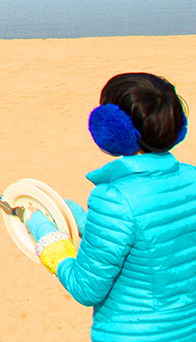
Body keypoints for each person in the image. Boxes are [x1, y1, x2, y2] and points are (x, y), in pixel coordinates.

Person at [25, 72, 196, 341]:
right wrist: (84, 222)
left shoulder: (113, 198)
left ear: (113, 130)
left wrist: (47, 237)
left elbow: (85, 288)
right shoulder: (191, 179)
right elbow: (149, 239)